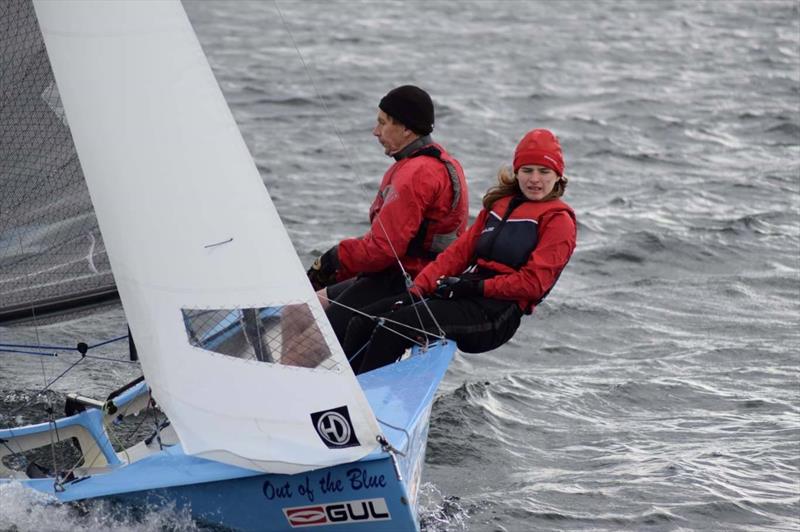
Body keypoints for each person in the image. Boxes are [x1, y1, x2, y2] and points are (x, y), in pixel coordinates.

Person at [340, 128, 577, 374]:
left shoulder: (558, 221)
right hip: (466, 292)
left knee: (392, 328)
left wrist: (475, 288)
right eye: (527, 170)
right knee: (361, 321)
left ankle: (363, 404)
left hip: (497, 313)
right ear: (517, 172)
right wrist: (419, 289)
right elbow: (458, 254)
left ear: (558, 176)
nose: (535, 179)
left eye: (544, 172)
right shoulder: (499, 206)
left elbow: (534, 284)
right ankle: (340, 391)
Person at [306, 85, 469, 346]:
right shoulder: (440, 162)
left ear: (406, 128)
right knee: (303, 307)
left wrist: (334, 260)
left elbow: (384, 250)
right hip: (406, 274)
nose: (376, 131)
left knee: (310, 333)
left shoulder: (416, 174)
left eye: (382, 123)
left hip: (402, 281)